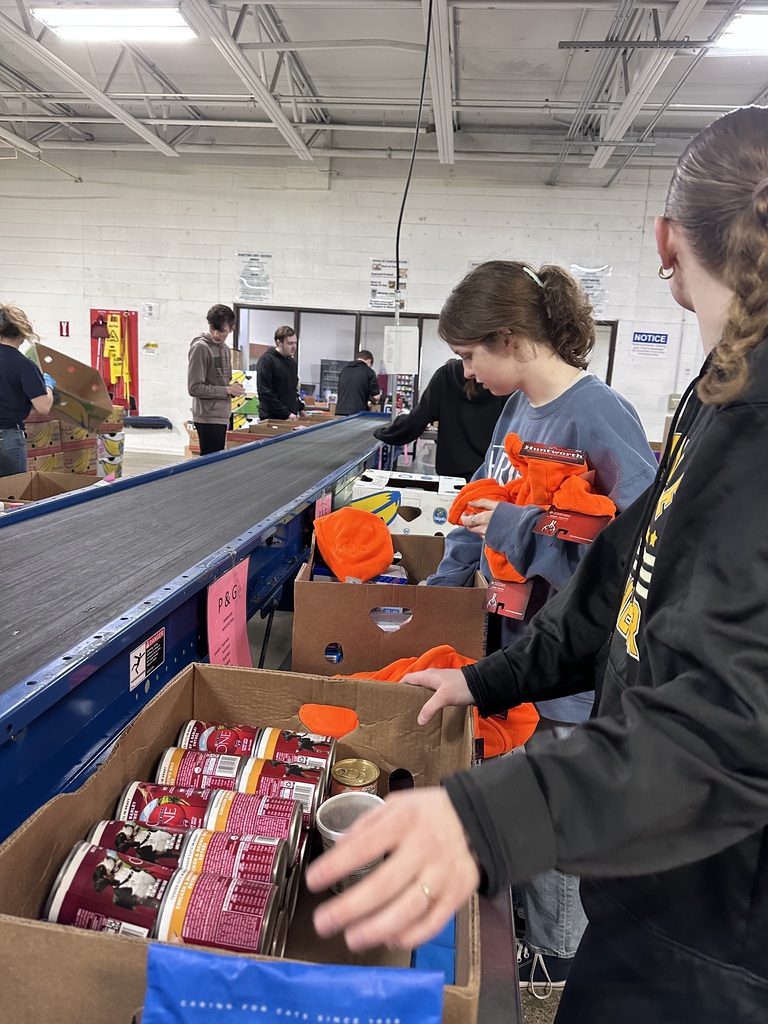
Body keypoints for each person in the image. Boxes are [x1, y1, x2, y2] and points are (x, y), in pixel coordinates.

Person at [306, 105, 768, 1022]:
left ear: (666, 240)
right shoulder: (719, 397)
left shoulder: (748, 425)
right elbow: (620, 587)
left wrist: (483, 819)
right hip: (659, 889)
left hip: (719, 938)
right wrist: (489, 679)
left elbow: (733, 724)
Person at [420, 259, 656, 993]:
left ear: (509, 338)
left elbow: (636, 551)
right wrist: (442, 587)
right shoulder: (519, 408)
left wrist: (517, 530)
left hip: (569, 674)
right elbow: (483, 499)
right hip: (514, 651)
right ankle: (528, 934)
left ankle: (556, 964)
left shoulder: (598, 415)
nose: (465, 374)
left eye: (469, 356)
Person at [373, 358, 509, 481]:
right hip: (491, 476)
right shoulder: (503, 378)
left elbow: (417, 419)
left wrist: (384, 433)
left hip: (451, 478)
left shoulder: (446, 375)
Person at [0, 304, 55, 477]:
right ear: (22, 334)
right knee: (13, 489)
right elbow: (43, 406)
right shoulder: (24, 365)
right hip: (7, 436)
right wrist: (48, 386)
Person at [187, 303, 244, 456]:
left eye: (221, 330)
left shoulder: (224, 348)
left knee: (217, 463)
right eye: (213, 328)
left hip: (222, 415)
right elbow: (194, 388)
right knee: (210, 465)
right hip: (208, 417)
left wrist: (233, 388)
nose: (216, 334)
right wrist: (227, 390)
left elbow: (222, 381)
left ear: (231, 328)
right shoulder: (201, 347)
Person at [256, 325, 304, 420]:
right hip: (272, 418)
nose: (294, 347)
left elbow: (293, 390)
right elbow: (265, 393)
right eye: (290, 343)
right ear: (279, 343)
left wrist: (301, 408)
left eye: (295, 343)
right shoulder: (267, 361)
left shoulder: (292, 363)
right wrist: (286, 413)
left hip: (290, 417)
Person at [335, 349, 381, 416]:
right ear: (369, 361)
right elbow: (376, 397)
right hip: (357, 413)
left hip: (340, 411)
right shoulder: (369, 372)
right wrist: (372, 400)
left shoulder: (344, 370)